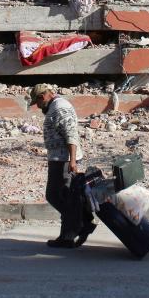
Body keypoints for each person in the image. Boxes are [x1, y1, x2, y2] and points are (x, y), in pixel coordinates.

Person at [30, 83, 96, 248]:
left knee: (58, 196)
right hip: (59, 159)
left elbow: (71, 134)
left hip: (63, 161)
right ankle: (77, 227)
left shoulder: (59, 107)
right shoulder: (56, 106)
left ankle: (74, 230)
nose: (38, 107)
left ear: (43, 96)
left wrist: (72, 161)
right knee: (64, 198)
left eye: (37, 103)